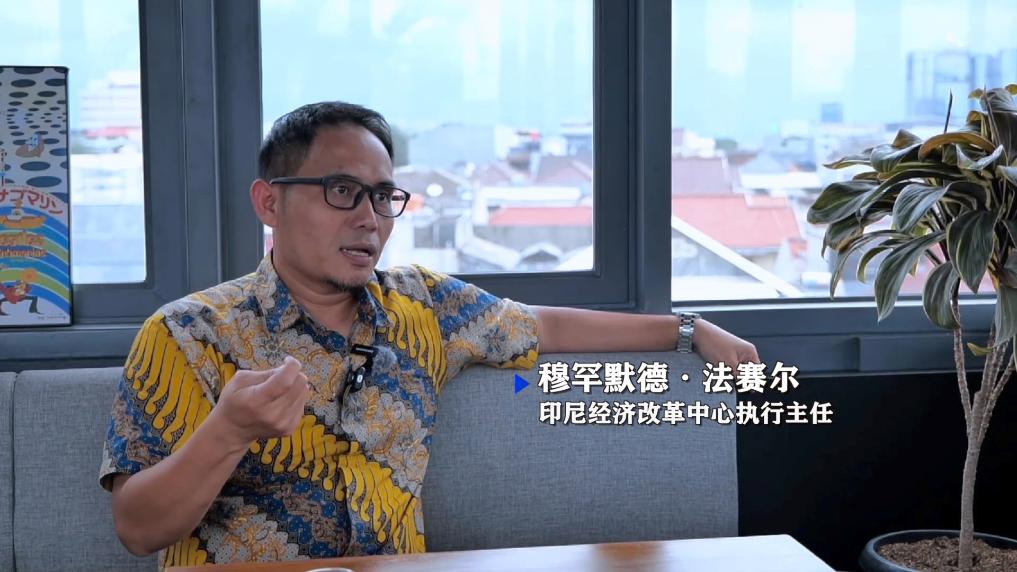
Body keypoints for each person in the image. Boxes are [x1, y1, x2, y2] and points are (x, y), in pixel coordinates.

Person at [100, 102, 758, 567]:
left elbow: (544, 325)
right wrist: (229, 431)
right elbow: (138, 528)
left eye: (383, 197)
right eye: (341, 191)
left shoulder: (423, 307)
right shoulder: (187, 334)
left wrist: (688, 329)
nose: (369, 218)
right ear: (270, 202)